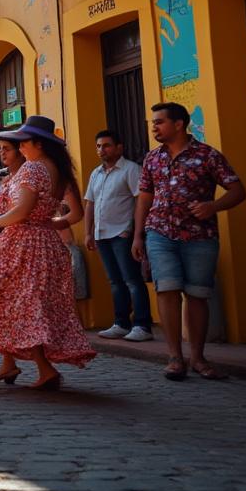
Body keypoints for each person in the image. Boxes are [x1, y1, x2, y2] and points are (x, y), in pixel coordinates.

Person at [0, 116, 96, 390]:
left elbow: (21, 212)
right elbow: (76, 214)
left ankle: (43, 369)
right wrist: (48, 224)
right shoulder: (59, 171)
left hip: (22, 244)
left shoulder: (33, 169)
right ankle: (9, 363)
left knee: (11, 302)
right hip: (45, 245)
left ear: (39, 144)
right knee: (13, 302)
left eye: (23, 142)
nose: (20, 147)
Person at [133, 102, 246, 381]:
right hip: (160, 233)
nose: (154, 127)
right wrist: (138, 234)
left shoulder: (207, 155)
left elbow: (237, 190)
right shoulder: (152, 158)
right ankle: (174, 357)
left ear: (179, 124)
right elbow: (145, 197)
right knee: (167, 290)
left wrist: (213, 206)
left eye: (159, 122)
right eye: (153, 122)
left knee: (197, 294)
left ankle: (197, 357)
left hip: (199, 235)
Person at [83, 129, 151, 342]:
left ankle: (142, 325)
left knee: (132, 280)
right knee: (114, 281)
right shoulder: (96, 173)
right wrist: (88, 232)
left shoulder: (131, 170)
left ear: (119, 147)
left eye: (106, 145)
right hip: (101, 234)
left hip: (122, 233)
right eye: (98, 146)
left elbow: (140, 201)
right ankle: (121, 323)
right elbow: (90, 204)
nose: (101, 150)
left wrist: (134, 232)